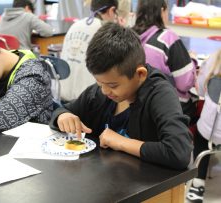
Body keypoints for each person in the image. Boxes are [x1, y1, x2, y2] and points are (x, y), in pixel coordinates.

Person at [50, 22, 193, 169]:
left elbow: (179, 152)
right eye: (99, 83)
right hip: (106, 179)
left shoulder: (160, 94)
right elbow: (62, 110)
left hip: (146, 184)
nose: (104, 91)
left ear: (140, 74)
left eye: (112, 85)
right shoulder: (99, 93)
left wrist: (120, 142)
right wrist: (63, 116)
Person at [132, 0, 197, 121]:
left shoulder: (131, 36)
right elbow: (185, 83)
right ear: (162, 11)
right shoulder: (167, 38)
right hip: (168, 108)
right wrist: (192, 59)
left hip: (137, 105)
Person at [60, 0, 128, 101]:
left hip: (62, 94)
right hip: (87, 100)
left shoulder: (75, 25)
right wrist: (123, 30)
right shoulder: (106, 29)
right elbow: (124, 59)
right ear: (112, 10)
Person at [187, 50, 221, 203]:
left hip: (209, 131)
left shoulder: (214, 58)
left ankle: (198, 183)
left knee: (201, 136)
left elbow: (200, 90)